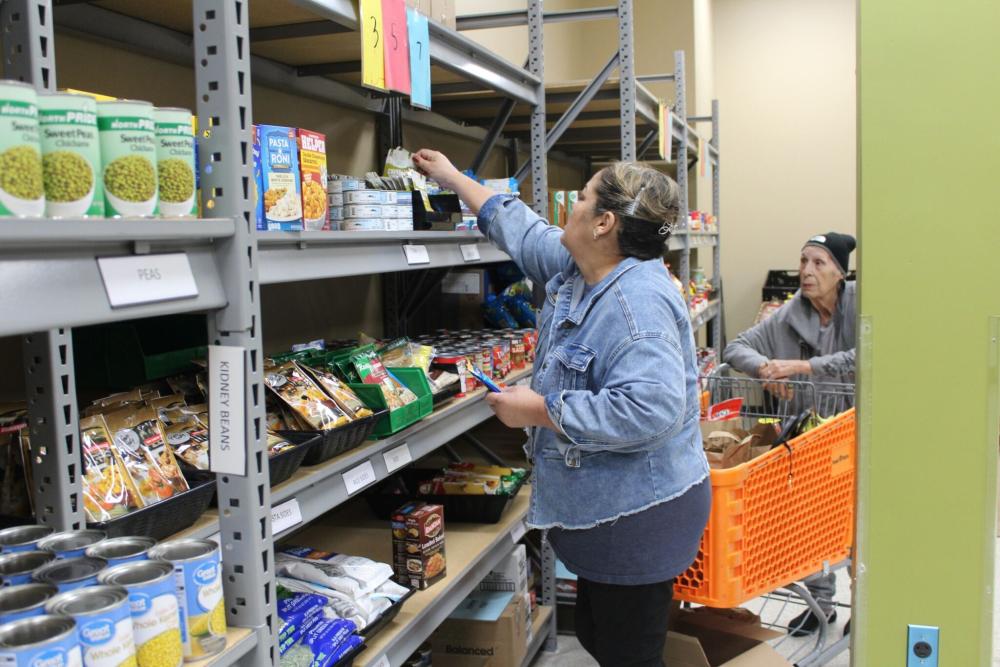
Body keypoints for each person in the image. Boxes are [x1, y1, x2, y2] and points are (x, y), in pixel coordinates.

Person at [414, 149, 711, 667]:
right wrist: (452, 176)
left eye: (582, 198)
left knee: (630, 655)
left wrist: (540, 409)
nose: (569, 206)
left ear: (604, 223)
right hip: (609, 511)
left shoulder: (634, 304)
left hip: (639, 514)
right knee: (600, 636)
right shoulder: (587, 266)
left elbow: (651, 409)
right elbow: (524, 232)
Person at [723, 231, 856, 637]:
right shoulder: (789, 313)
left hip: (856, 430)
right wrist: (766, 369)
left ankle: (866, 608)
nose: (807, 271)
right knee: (812, 519)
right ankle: (822, 606)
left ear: (839, 272)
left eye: (819, 263)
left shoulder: (861, 306)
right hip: (808, 436)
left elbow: (875, 349)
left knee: (858, 520)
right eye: (803, 261)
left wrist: (803, 368)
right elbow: (735, 347)